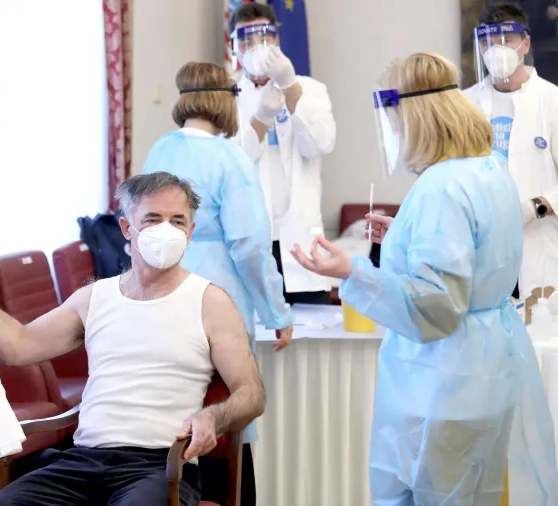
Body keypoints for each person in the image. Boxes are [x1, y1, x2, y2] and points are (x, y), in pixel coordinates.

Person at [292, 52, 558, 505]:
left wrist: (351, 272)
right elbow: (476, 250)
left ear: (415, 117)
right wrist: (405, 234)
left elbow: (436, 306)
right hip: (485, 369)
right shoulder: (488, 168)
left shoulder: (441, 187)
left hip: (445, 380)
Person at [0, 172, 266, 506]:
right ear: (128, 228)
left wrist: (214, 417)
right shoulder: (93, 298)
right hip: (81, 462)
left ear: (190, 232)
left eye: (177, 221)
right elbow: (17, 346)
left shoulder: (211, 303)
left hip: (159, 467)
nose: (166, 231)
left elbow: (252, 394)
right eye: (153, 219)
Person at [141, 61, 294, 505]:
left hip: (159, 295)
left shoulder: (159, 151)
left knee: (169, 414)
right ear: (227, 102)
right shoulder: (230, 158)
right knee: (224, 412)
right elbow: (249, 245)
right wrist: (277, 311)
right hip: (216, 297)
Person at [228, 2, 336, 305]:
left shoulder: (311, 89)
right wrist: (261, 118)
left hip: (301, 240)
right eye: (246, 40)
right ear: (234, 47)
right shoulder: (226, 97)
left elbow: (320, 144)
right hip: (251, 239)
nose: (256, 47)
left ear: (276, 40)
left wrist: (290, 87)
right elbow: (233, 163)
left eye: (264, 38)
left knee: (312, 328)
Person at [464, 3, 558, 300]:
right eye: (488, 43)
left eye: (506, 41)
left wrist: (535, 207)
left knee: (538, 324)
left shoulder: (552, 101)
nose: (497, 50)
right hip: (482, 249)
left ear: (525, 43)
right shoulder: (464, 105)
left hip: (538, 247)